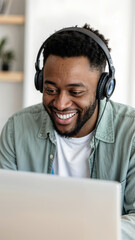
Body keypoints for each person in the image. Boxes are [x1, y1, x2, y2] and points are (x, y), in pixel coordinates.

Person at [0, 23, 135, 239]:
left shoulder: (131, 134)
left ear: (104, 88)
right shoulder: (17, 129)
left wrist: (77, 230)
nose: (61, 104)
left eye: (76, 92)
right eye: (50, 90)